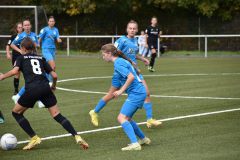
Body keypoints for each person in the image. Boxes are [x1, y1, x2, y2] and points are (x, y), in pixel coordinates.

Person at [0, 37, 88, 150]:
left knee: (16, 113)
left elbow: (15, 71)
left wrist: (2, 76)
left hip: (32, 89)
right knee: (57, 115)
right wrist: (53, 86)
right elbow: (54, 76)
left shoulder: (21, 58)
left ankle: (34, 137)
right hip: (45, 88)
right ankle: (77, 136)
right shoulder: (41, 58)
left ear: (23, 48)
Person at [89, 20, 162, 128]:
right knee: (111, 95)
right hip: (121, 73)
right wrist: (131, 63)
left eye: (134, 28)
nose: (132, 30)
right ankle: (94, 112)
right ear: (127, 29)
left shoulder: (136, 41)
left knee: (147, 93)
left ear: (136, 30)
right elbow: (114, 51)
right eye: (130, 28)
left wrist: (142, 59)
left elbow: (133, 54)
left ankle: (149, 119)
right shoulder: (122, 40)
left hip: (133, 71)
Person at [100, 43, 151, 151]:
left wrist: (120, 91)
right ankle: (143, 139)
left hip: (136, 93)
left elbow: (131, 77)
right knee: (128, 118)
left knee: (121, 118)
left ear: (109, 53)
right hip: (139, 92)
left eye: (103, 54)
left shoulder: (118, 63)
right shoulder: (121, 61)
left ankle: (135, 144)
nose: (103, 57)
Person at [10, 18, 44, 108]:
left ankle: (18, 96)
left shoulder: (33, 35)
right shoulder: (21, 35)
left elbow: (37, 46)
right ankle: (40, 101)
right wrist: (20, 51)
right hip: (26, 60)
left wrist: (35, 45)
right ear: (23, 27)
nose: (27, 26)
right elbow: (12, 44)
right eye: (25, 25)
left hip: (34, 59)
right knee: (37, 79)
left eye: (28, 25)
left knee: (33, 80)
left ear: (30, 26)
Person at [38, 16, 62, 82]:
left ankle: (48, 81)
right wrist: (37, 45)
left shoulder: (56, 30)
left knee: (48, 66)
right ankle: (50, 82)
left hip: (52, 50)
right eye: (50, 21)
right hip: (45, 49)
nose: (51, 22)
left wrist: (59, 40)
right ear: (48, 22)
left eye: (53, 21)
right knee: (53, 65)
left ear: (54, 22)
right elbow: (39, 38)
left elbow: (57, 38)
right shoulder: (44, 29)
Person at [5, 22, 23, 95]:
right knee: (17, 73)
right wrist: (8, 53)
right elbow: (8, 45)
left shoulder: (25, 36)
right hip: (16, 57)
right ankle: (16, 90)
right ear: (17, 29)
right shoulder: (13, 36)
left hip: (24, 57)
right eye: (19, 27)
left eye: (21, 27)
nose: (20, 28)